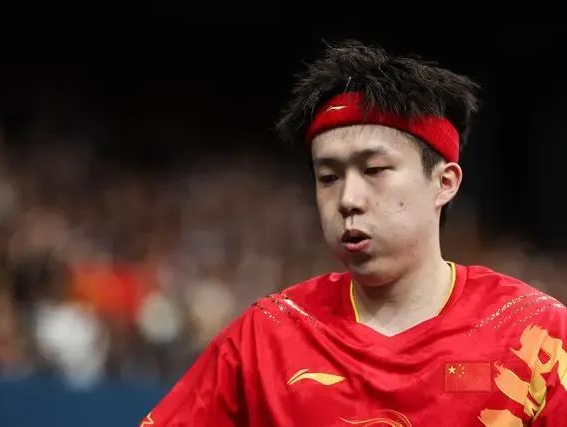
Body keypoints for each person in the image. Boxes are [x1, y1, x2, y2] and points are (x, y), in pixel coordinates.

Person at [139, 39, 567, 426]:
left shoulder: (534, 333)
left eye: (374, 169)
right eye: (328, 177)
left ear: (444, 182)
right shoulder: (267, 337)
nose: (348, 199)